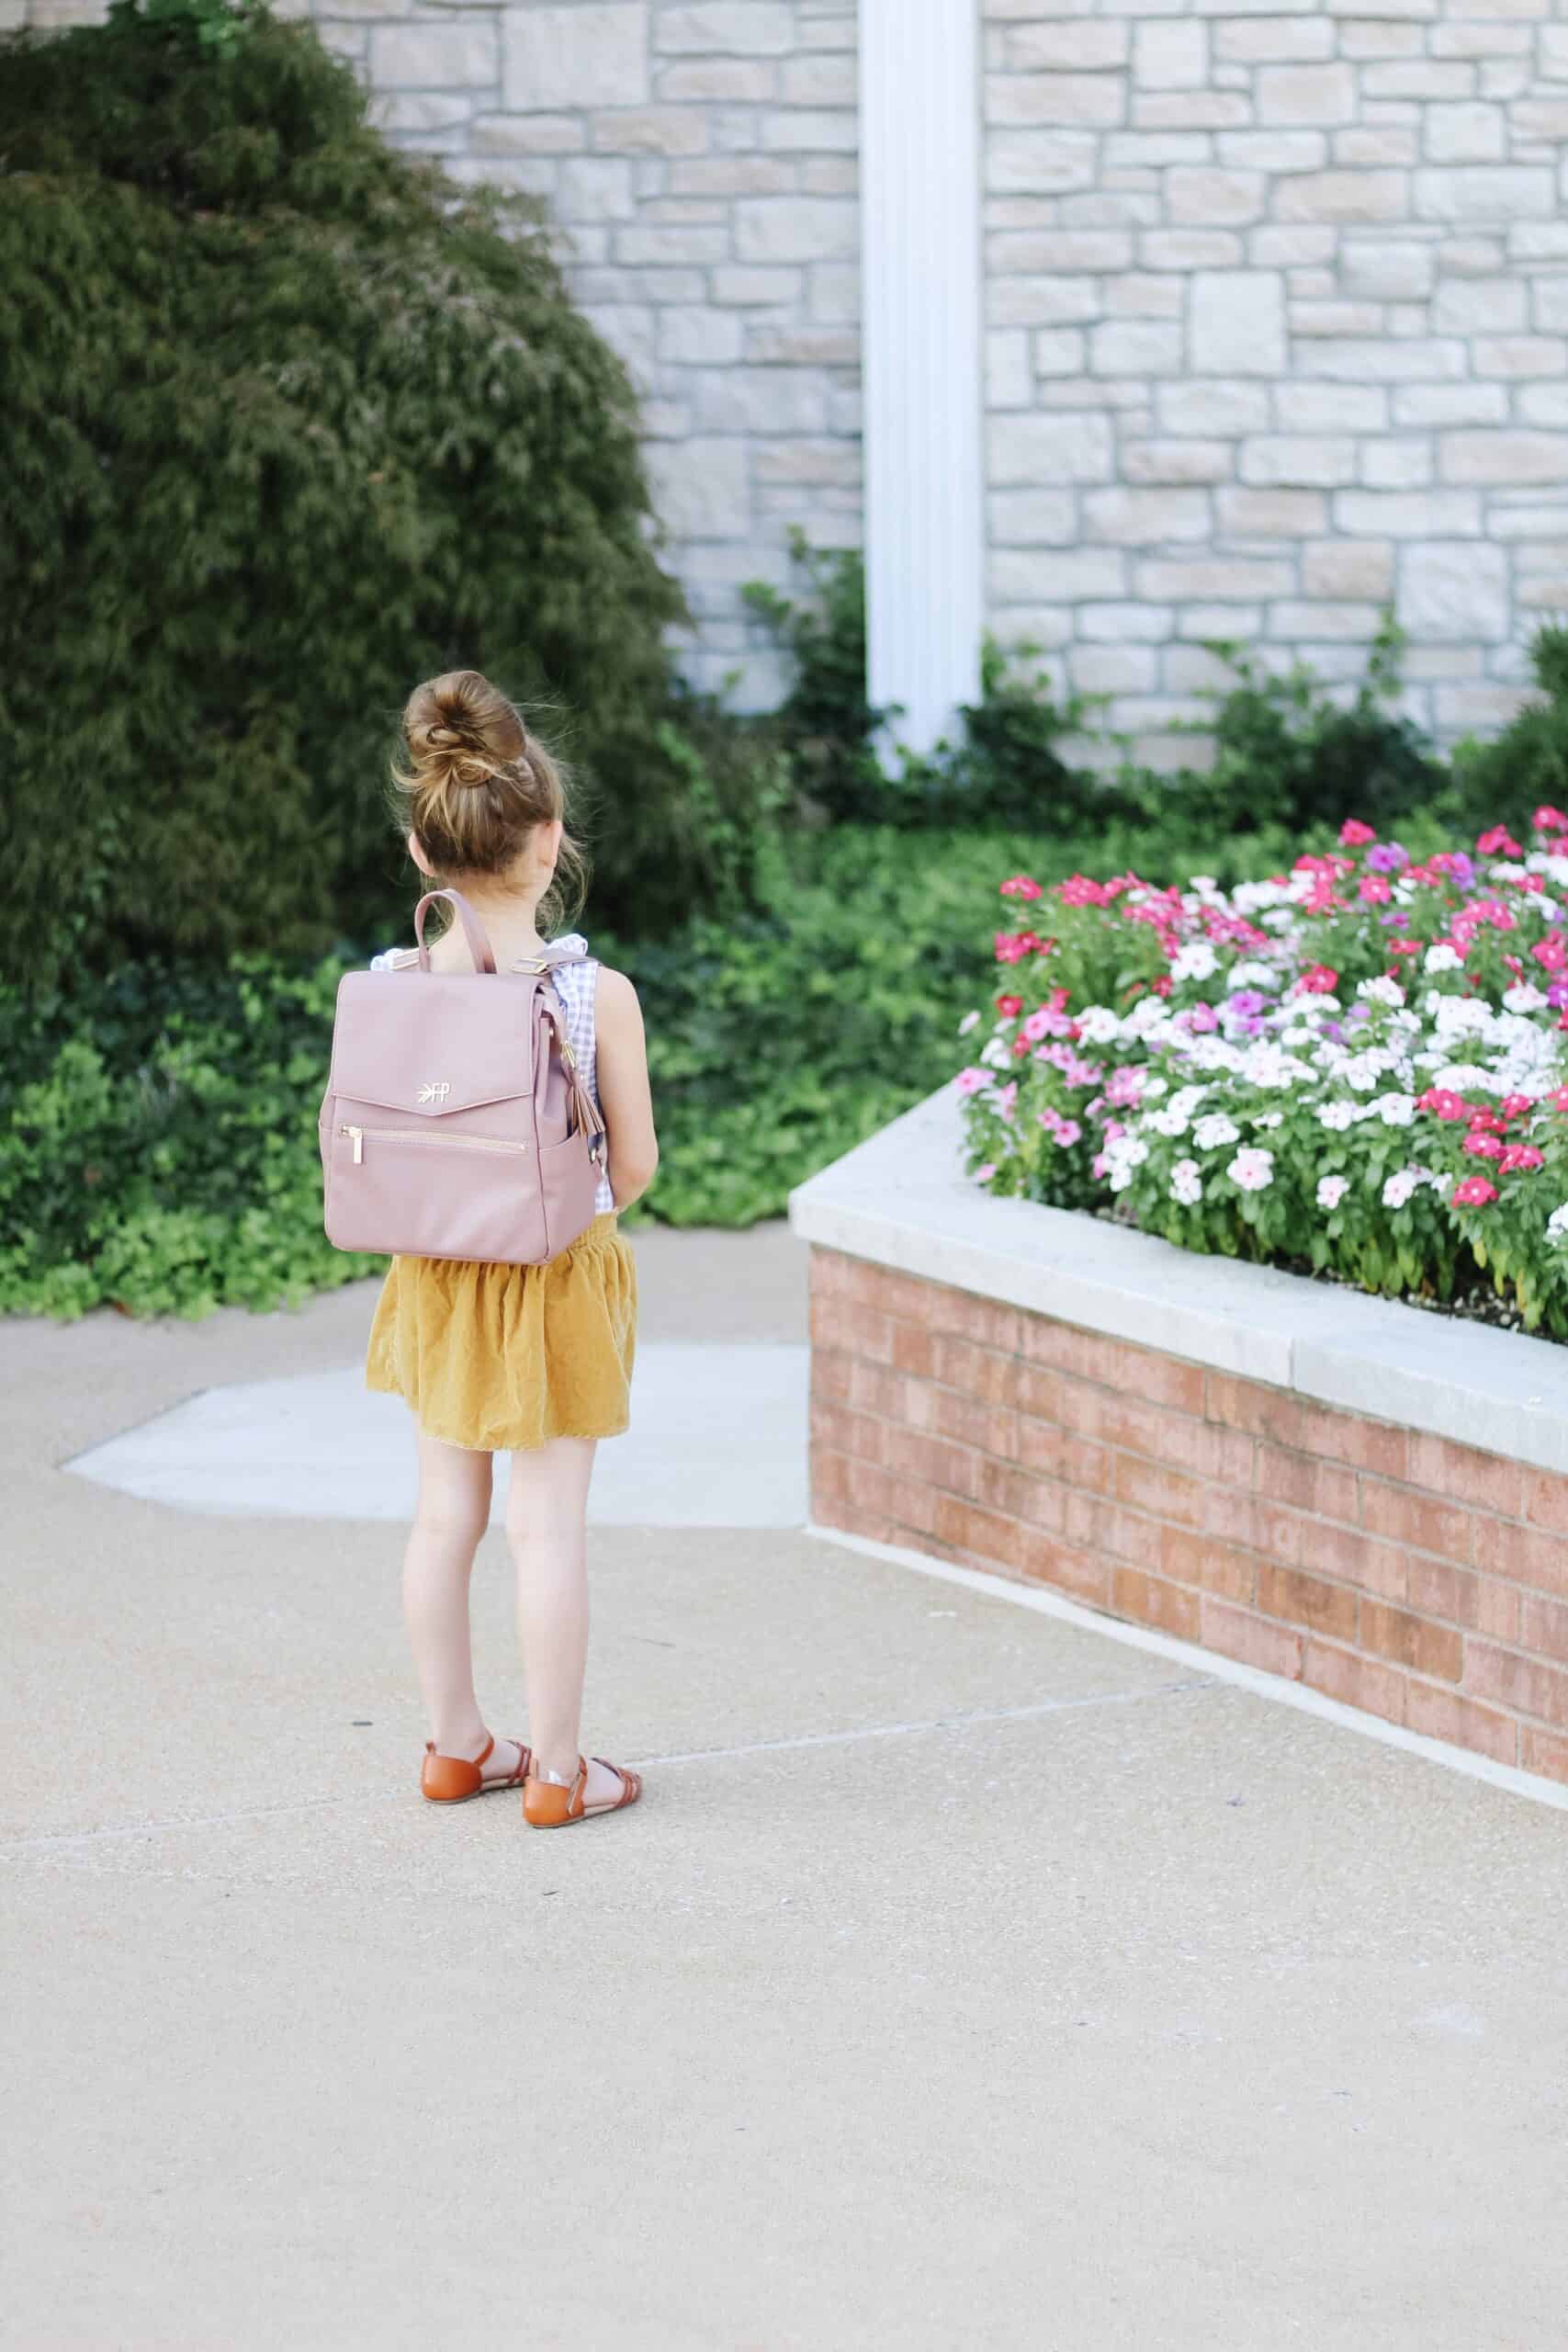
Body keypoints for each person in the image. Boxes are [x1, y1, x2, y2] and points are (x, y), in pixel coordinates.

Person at [365, 669, 659, 1828]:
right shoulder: (597, 995)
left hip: (435, 1273)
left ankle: (454, 1744)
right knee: (548, 1527)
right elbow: (630, 1169)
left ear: (423, 854)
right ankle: (559, 1771)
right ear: (550, 841)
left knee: (445, 1517)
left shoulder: (393, 987)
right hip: (550, 1279)